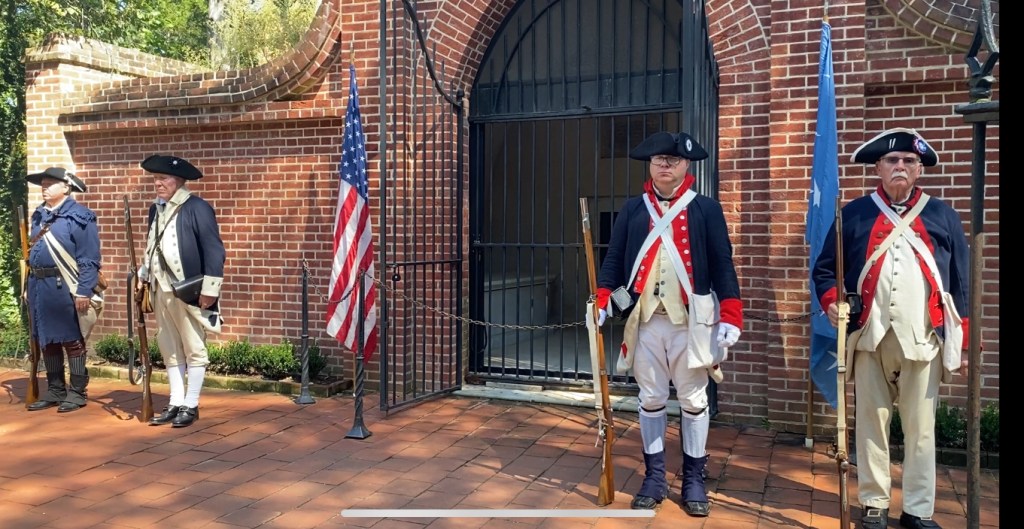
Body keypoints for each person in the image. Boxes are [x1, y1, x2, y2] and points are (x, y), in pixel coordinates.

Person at [812, 128, 970, 529]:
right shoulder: (853, 213)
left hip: (924, 338)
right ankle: (874, 504)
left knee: (921, 431)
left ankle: (918, 510)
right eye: (892, 161)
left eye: (909, 162)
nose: (900, 166)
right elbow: (826, 270)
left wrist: (963, 341)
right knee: (870, 424)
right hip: (869, 336)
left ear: (919, 170)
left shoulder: (942, 215)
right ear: (878, 168)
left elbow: (961, 281)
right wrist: (833, 304)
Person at [595, 131, 743, 516]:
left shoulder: (706, 209)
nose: (665, 165)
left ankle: (694, 478)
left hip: (690, 322)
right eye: (659, 159)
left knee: (694, 401)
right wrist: (602, 296)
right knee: (652, 399)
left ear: (686, 165)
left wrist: (731, 312)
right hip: (645, 321)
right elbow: (613, 259)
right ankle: (654, 476)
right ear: (650, 164)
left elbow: (723, 264)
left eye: (673, 160)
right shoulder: (633, 209)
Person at [138, 154, 225, 428]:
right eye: (156, 179)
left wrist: (210, 289)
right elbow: (151, 246)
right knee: (169, 348)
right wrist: (144, 275)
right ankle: (176, 401)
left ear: (178, 181)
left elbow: (214, 250)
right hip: (160, 289)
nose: (158, 184)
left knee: (193, 347)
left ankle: (192, 403)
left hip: (187, 290)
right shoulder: (157, 209)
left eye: (163, 179)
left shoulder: (197, 207)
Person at [24, 167, 103, 413]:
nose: (44, 187)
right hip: (39, 285)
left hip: (65, 284)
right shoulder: (39, 215)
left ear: (66, 187)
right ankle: (56, 389)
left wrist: (83, 291)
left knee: (71, 339)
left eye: (50, 183)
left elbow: (89, 258)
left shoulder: (80, 216)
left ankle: (77, 391)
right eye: (43, 184)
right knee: (47, 339)